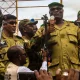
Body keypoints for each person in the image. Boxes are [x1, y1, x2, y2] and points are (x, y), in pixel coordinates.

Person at [30, 2, 80, 77]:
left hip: (73, 70)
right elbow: (33, 46)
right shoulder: (44, 27)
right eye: (53, 9)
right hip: (54, 72)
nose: (56, 11)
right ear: (49, 12)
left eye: (58, 9)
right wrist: (45, 34)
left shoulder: (74, 27)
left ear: (62, 11)